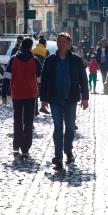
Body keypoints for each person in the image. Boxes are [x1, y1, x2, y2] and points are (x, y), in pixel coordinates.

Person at [40, 32, 89, 168]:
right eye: (59, 41)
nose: (61, 44)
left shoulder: (76, 60)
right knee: (58, 127)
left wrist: (85, 98)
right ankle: (58, 156)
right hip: (54, 99)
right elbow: (44, 81)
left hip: (71, 98)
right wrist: (43, 99)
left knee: (70, 128)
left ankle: (68, 150)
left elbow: (83, 80)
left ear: (69, 43)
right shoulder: (50, 60)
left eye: (63, 41)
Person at [1, 37, 42, 157]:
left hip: (17, 93)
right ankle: (25, 148)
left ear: (21, 46)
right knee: (29, 122)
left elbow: (6, 77)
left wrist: (4, 94)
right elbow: (40, 79)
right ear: (30, 47)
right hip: (30, 94)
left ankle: (16, 146)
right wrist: (41, 92)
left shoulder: (13, 59)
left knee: (17, 120)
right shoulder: (34, 60)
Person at [31, 36, 51, 115]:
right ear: (44, 43)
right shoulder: (45, 50)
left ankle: (35, 109)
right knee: (43, 89)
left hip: (33, 73)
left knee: (35, 90)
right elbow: (48, 62)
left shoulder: (33, 50)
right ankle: (43, 106)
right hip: (43, 73)